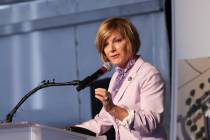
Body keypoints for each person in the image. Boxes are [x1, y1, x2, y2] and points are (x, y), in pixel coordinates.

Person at [76, 17, 166, 140]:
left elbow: (151, 123)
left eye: (117, 41)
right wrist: (68, 131)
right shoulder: (116, 77)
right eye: (106, 44)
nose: (111, 49)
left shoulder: (149, 74)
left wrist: (114, 109)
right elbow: (102, 121)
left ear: (130, 41)